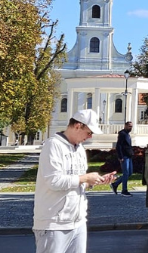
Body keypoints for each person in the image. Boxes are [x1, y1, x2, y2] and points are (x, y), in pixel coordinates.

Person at [34, 108, 116, 253]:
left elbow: (77, 181)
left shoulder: (79, 149)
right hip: (53, 223)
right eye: (89, 132)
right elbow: (54, 181)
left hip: (78, 222)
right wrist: (85, 178)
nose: (90, 137)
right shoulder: (53, 145)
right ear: (78, 126)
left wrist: (94, 181)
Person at [110, 121, 134, 196]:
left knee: (129, 173)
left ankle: (115, 184)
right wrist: (120, 157)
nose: (130, 128)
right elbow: (118, 146)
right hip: (124, 157)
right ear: (125, 126)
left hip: (129, 156)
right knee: (126, 173)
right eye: (129, 126)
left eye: (131, 126)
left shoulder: (127, 134)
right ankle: (124, 190)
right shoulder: (122, 134)